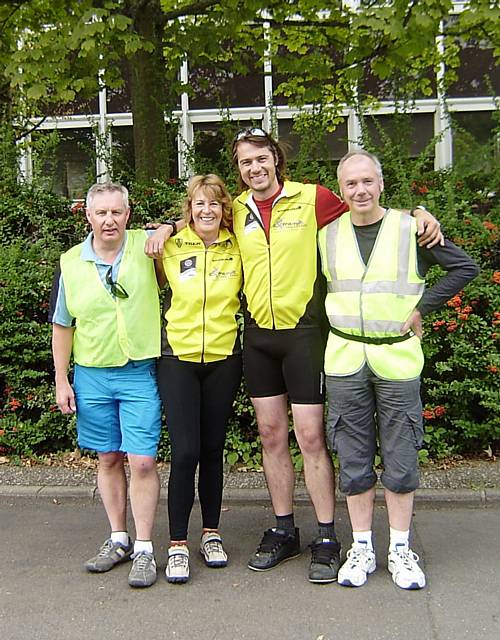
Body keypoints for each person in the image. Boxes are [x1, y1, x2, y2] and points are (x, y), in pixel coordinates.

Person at [145, 128, 441, 584]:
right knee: (270, 434)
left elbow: (369, 212)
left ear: (276, 160)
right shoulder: (236, 210)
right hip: (259, 337)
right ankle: (284, 528)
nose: (254, 168)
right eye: (245, 162)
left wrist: (419, 214)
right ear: (239, 169)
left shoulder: (314, 198)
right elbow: (197, 221)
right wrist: (167, 226)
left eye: (261, 159)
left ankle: (327, 535)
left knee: (310, 437)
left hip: (305, 333)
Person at [318, 150, 479, 590]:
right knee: (352, 456)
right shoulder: (326, 235)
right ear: (341, 190)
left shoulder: (412, 229)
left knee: (401, 454)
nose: (360, 190)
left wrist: (421, 308)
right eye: (351, 184)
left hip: (398, 360)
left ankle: (401, 549)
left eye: (368, 181)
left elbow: (465, 267)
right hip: (345, 360)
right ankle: (363, 547)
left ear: (382, 185)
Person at [49, 182, 162, 589]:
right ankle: (119, 539)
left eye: (117, 212)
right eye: (101, 213)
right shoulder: (69, 262)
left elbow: (199, 220)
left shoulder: (147, 245)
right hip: (92, 374)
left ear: (127, 215)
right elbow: (62, 325)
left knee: (143, 460)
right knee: (109, 458)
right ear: (88, 216)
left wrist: (165, 228)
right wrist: (62, 379)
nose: (109, 220)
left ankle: (146, 548)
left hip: (137, 372)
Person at [156, 175, 242, 585]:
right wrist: (164, 227)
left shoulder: (240, 245)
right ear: (188, 208)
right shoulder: (169, 245)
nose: (206, 211)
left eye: (214, 203)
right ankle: (176, 544)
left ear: (225, 208)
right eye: (198, 204)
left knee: (212, 448)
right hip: (178, 359)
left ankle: (211, 533)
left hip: (224, 358)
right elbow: (124, 244)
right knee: (185, 451)